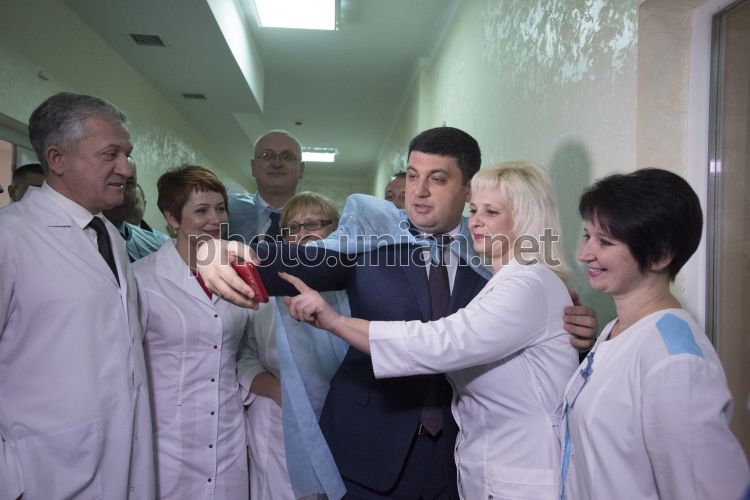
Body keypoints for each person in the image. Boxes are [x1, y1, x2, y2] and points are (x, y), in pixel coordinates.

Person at [200, 127, 597, 499]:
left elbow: (534, 344)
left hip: (459, 455)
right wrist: (226, 251)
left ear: (468, 187)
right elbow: (303, 260)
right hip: (367, 446)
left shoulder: (495, 255)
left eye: (437, 179)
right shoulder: (370, 241)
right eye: (412, 175)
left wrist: (576, 332)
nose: (417, 192)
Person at [282, 162, 580, 499]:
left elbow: (440, 343)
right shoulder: (506, 282)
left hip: (521, 468)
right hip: (481, 465)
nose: (476, 221)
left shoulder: (528, 284)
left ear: (525, 218)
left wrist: (335, 322)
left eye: (491, 212)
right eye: (474, 210)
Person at [0, 92, 154, 499]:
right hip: (42, 474)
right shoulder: (10, 236)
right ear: (57, 158)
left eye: (127, 154)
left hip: (118, 462)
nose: (126, 168)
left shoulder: (109, 237)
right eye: (110, 154)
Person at [560, 168, 750, 499]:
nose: (584, 254)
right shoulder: (616, 330)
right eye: (587, 235)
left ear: (661, 255)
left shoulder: (675, 361)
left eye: (605, 241)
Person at [132, 165, 256, 499]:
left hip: (228, 435)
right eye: (201, 210)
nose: (215, 219)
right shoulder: (141, 279)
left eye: (220, 208)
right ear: (172, 218)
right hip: (166, 440)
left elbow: (247, 350)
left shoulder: (240, 274)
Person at [244, 191, 343, 500]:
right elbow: (243, 353)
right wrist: (277, 390)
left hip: (339, 424)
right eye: (292, 228)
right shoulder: (266, 293)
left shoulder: (352, 290)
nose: (300, 235)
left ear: (335, 229)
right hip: (278, 424)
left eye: (312, 224)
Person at [228, 130, 305, 243]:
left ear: (301, 169)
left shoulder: (322, 219)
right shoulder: (227, 211)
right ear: (253, 167)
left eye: (288, 157)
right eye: (267, 156)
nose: (277, 164)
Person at [104, 158, 168, 261]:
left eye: (129, 183)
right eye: (113, 183)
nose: (122, 194)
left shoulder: (155, 246)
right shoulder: (78, 242)